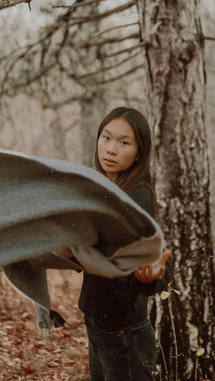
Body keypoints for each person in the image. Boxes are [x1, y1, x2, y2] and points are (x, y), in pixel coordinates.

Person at [78, 106, 172, 381]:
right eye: (106, 138)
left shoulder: (136, 197)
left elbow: (155, 260)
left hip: (123, 332)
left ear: (139, 154)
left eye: (124, 142)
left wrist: (151, 279)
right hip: (102, 324)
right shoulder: (107, 190)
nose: (111, 149)